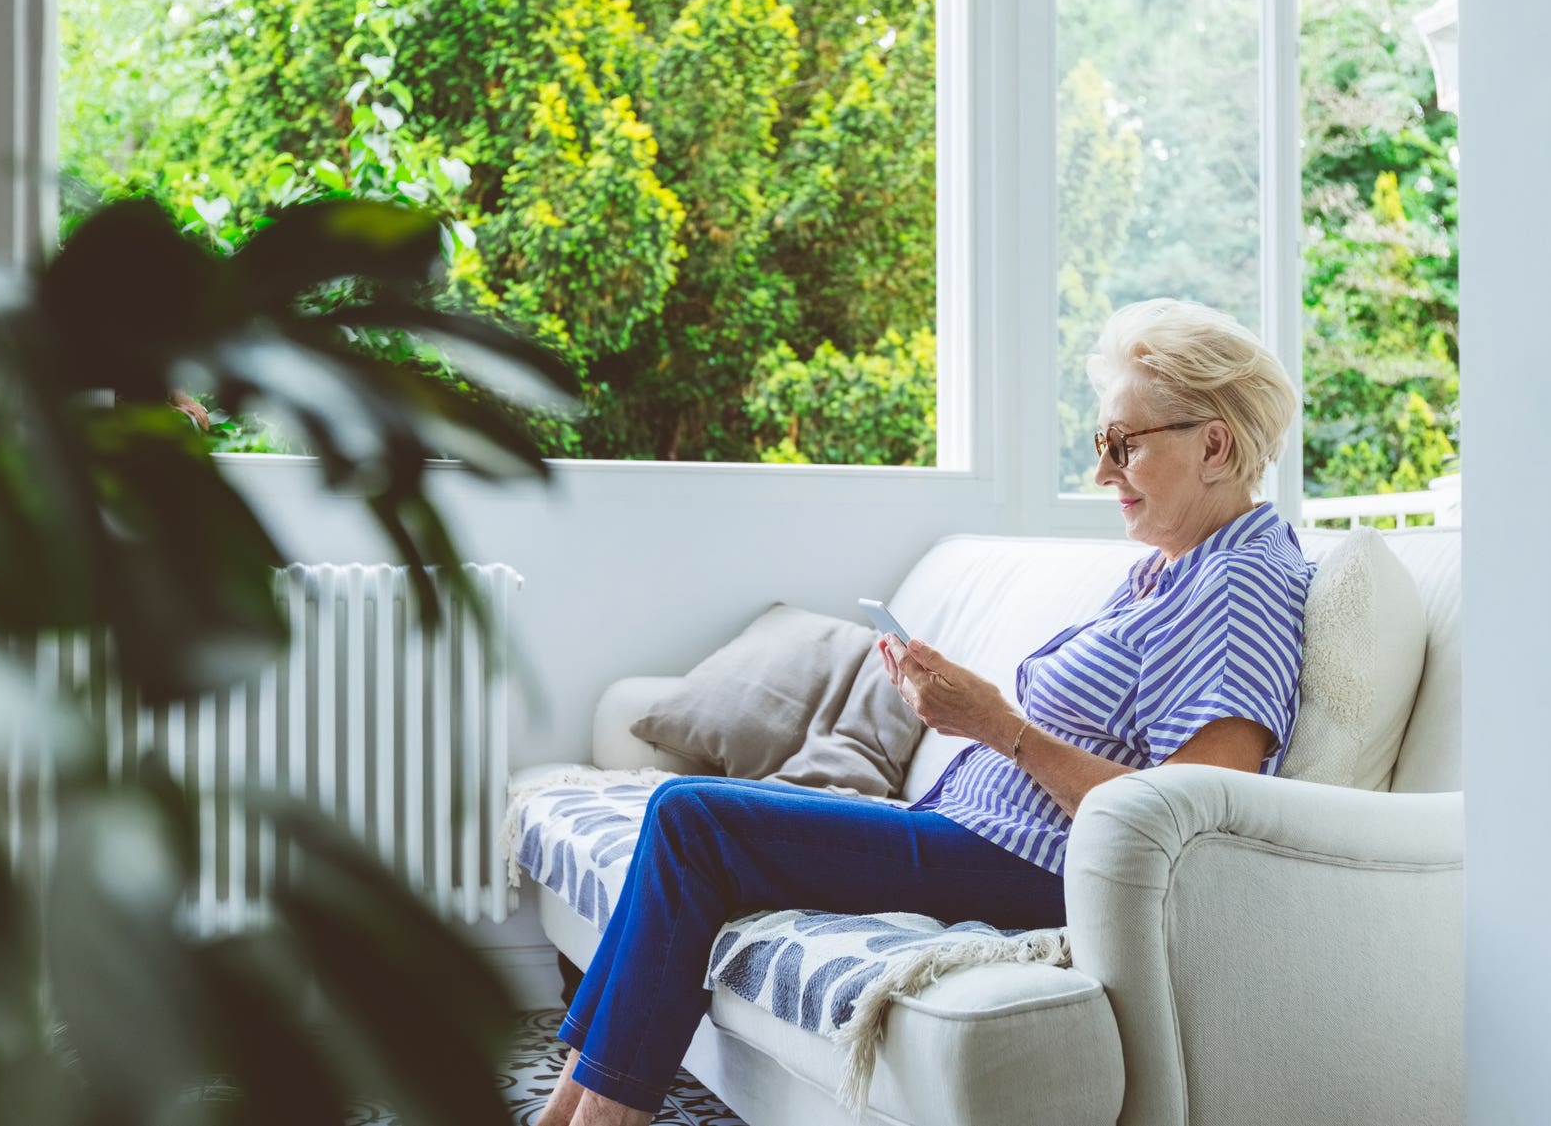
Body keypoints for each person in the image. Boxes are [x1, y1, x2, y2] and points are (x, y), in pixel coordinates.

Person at [539, 298, 1314, 1126]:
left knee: (694, 820)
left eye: (1123, 444)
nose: (1101, 472)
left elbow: (1191, 826)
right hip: (969, 832)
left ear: (1214, 444)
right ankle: (567, 1109)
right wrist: (969, 713)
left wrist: (997, 725)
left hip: (1030, 867)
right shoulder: (1172, 568)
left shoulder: (1241, 584)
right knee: (678, 817)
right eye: (1100, 444)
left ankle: (598, 1117)